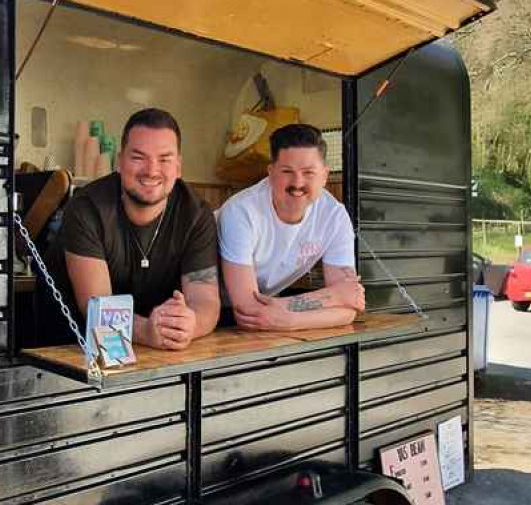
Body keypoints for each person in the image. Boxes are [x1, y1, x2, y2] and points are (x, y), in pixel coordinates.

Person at [44, 108, 220, 350]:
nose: (151, 170)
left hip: (153, 352)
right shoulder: (87, 208)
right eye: (138, 157)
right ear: (119, 162)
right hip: (70, 349)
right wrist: (147, 331)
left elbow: (205, 299)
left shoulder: (196, 214)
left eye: (164, 159)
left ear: (178, 167)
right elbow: (97, 307)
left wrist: (189, 325)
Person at [218, 123, 365, 331]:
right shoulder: (241, 211)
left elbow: (349, 307)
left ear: (324, 176)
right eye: (287, 171)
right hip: (201, 308)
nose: (297, 182)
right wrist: (334, 296)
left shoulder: (334, 216)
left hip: (269, 313)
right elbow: (247, 311)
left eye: (308, 173)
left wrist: (288, 319)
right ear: (271, 173)